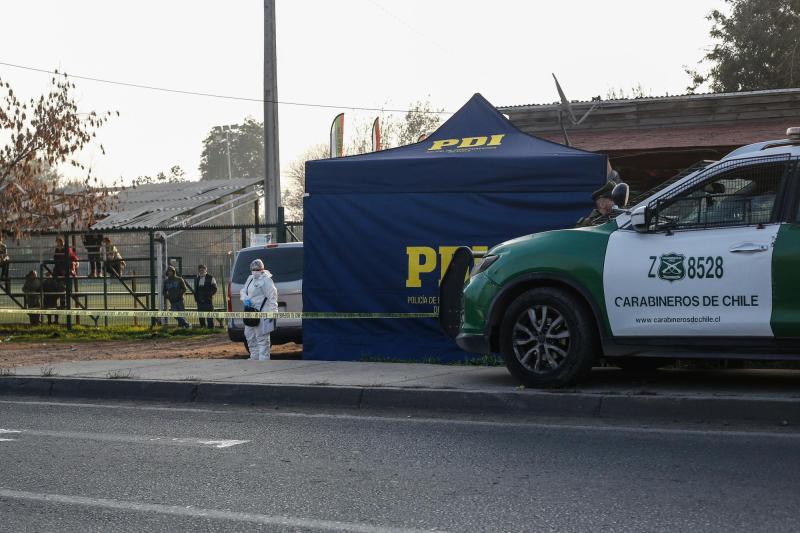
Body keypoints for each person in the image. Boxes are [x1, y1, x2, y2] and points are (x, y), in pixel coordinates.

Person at [239, 259, 278, 361]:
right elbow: (243, 290)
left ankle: (263, 360)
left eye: (257, 269)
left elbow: (272, 297)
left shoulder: (266, 280)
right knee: (249, 336)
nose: (254, 271)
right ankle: (254, 357)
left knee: (262, 339)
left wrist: (273, 313)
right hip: (250, 312)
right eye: (253, 269)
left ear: (262, 269)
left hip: (262, 313)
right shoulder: (250, 278)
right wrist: (245, 299)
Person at [52, 237, 78, 310]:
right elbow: (56, 259)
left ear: (61, 242)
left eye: (58, 242)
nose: (57, 244)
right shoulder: (57, 249)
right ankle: (63, 304)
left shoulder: (66, 248)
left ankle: (66, 304)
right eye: (57, 242)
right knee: (61, 288)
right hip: (60, 270)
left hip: (67, 269)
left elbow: (71, 257)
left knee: (66, 288)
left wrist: (68, 268)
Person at [193, 264, 218, 329]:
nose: (201, 271)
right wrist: (196, 298)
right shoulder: (197, 278)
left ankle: (211, 328)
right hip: (199, 300)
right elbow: (196, 289)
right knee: (201, 315)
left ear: (205, 270)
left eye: (202, 269)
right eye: (200, 270)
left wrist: (209, 295)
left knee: (209, 315)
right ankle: (203, 328)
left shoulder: (211, 277)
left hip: (208, 300)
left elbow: (215, 289)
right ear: (198, 270)